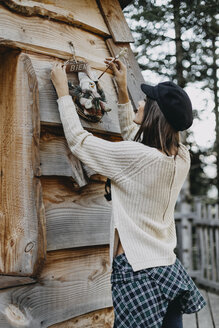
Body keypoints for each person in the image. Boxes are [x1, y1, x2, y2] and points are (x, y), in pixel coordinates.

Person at [50, 58, 206, 328]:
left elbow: (79, 141)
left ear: (156, 114)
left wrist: (63, 92)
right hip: (167, 266)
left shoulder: (136, 158)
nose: (140, 102)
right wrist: (122, 91)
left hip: (136, 272)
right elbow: (134, 137)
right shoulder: (181, 157)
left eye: (146, 101)